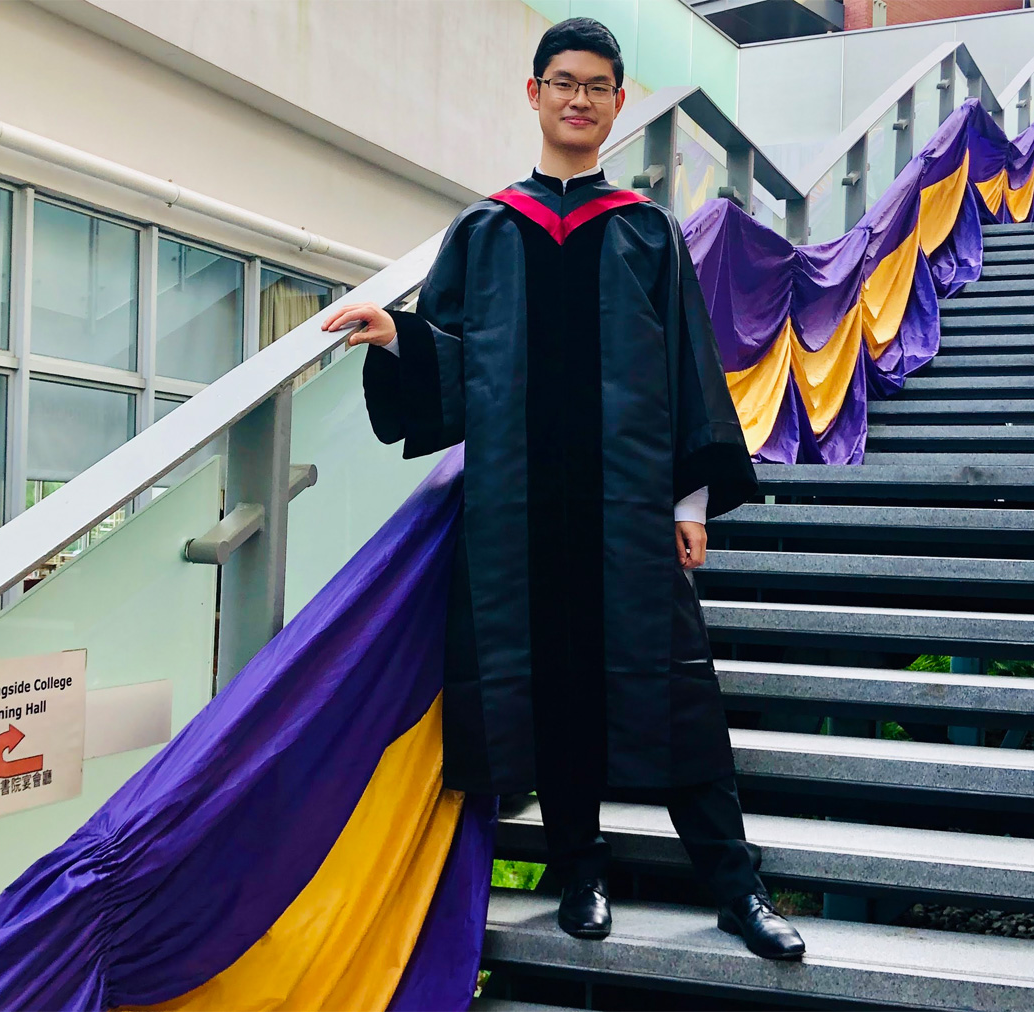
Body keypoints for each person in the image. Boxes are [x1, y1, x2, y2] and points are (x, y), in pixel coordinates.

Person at [323, 17, 804, 962]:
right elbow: (458, 360)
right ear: (534, 94)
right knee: (559, 691)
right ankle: (578, 872)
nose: (578, 99)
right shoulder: (487, 229)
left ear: (619, 103)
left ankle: (736, 887)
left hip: (629, 511)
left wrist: (689, 503)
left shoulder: (646, 230)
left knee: (680, 696)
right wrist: (400, 338)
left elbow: (689, 372)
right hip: (521, 512)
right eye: (562, 83)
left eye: (596, 85)